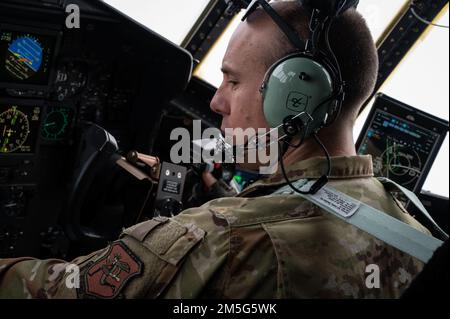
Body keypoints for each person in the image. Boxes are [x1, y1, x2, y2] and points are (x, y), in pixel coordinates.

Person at [0, 1, 430, 299]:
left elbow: (49, 289)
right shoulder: (411, 226)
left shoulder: (224, 242)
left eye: (233, 81)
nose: (215, 101)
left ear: (295, 98)